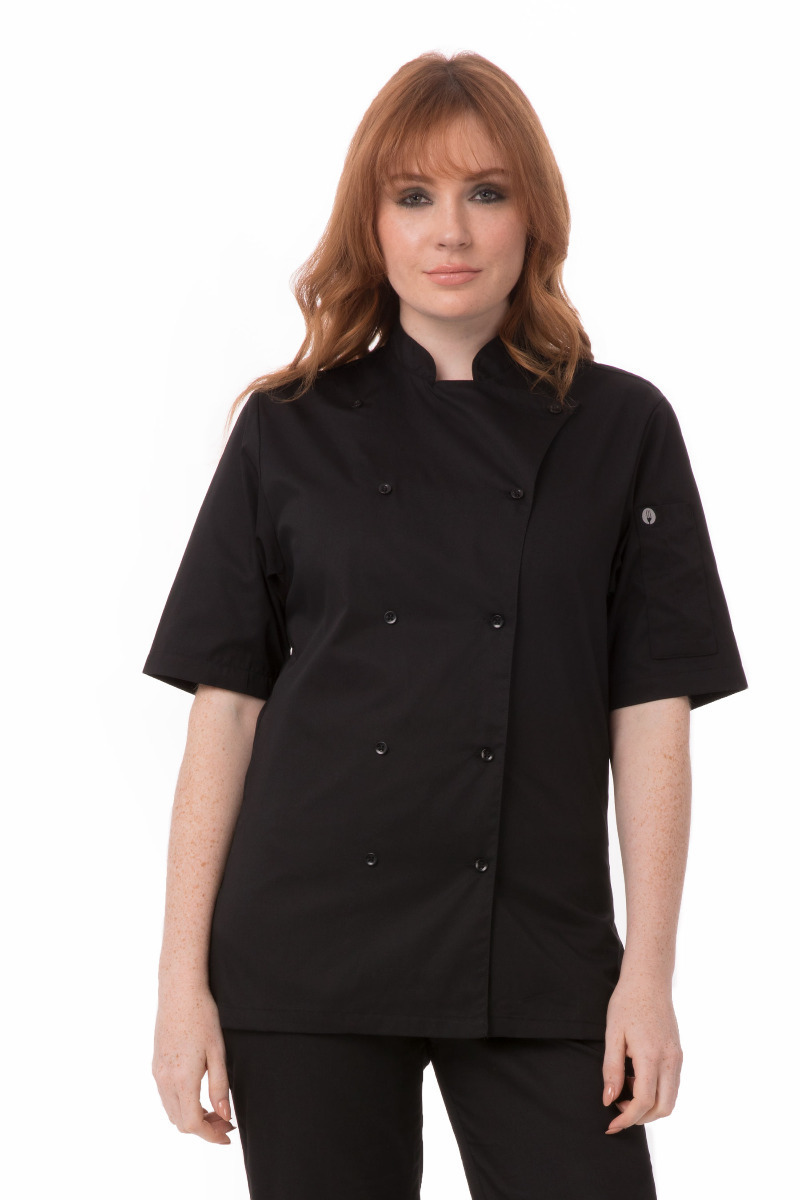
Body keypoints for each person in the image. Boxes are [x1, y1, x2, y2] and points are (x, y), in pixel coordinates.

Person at [144, 50, 748, 1200]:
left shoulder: (620, 428)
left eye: (486, 191)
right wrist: (182, 986)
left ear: (533, 214)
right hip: (305, 945)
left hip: (539, 943)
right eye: (413, 195)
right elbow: (223, 716)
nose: (450, 230)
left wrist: (648, 974)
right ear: (370, 224)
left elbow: (650, 716)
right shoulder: (284, 430)